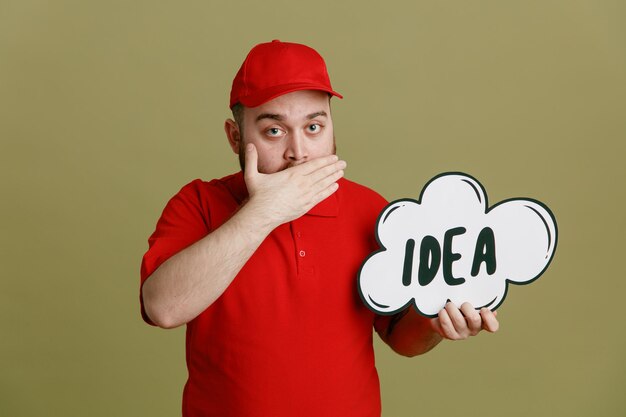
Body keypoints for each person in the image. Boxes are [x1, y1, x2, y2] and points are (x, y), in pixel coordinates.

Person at [140, 40, 499, 417]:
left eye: (313, 127)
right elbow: (163, 308)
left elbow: (400, 337)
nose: (299, 152)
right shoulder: (197, 203)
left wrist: (436, 322)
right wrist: (263, 213)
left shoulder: (371, 210)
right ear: (235, 137)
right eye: (274, 131)